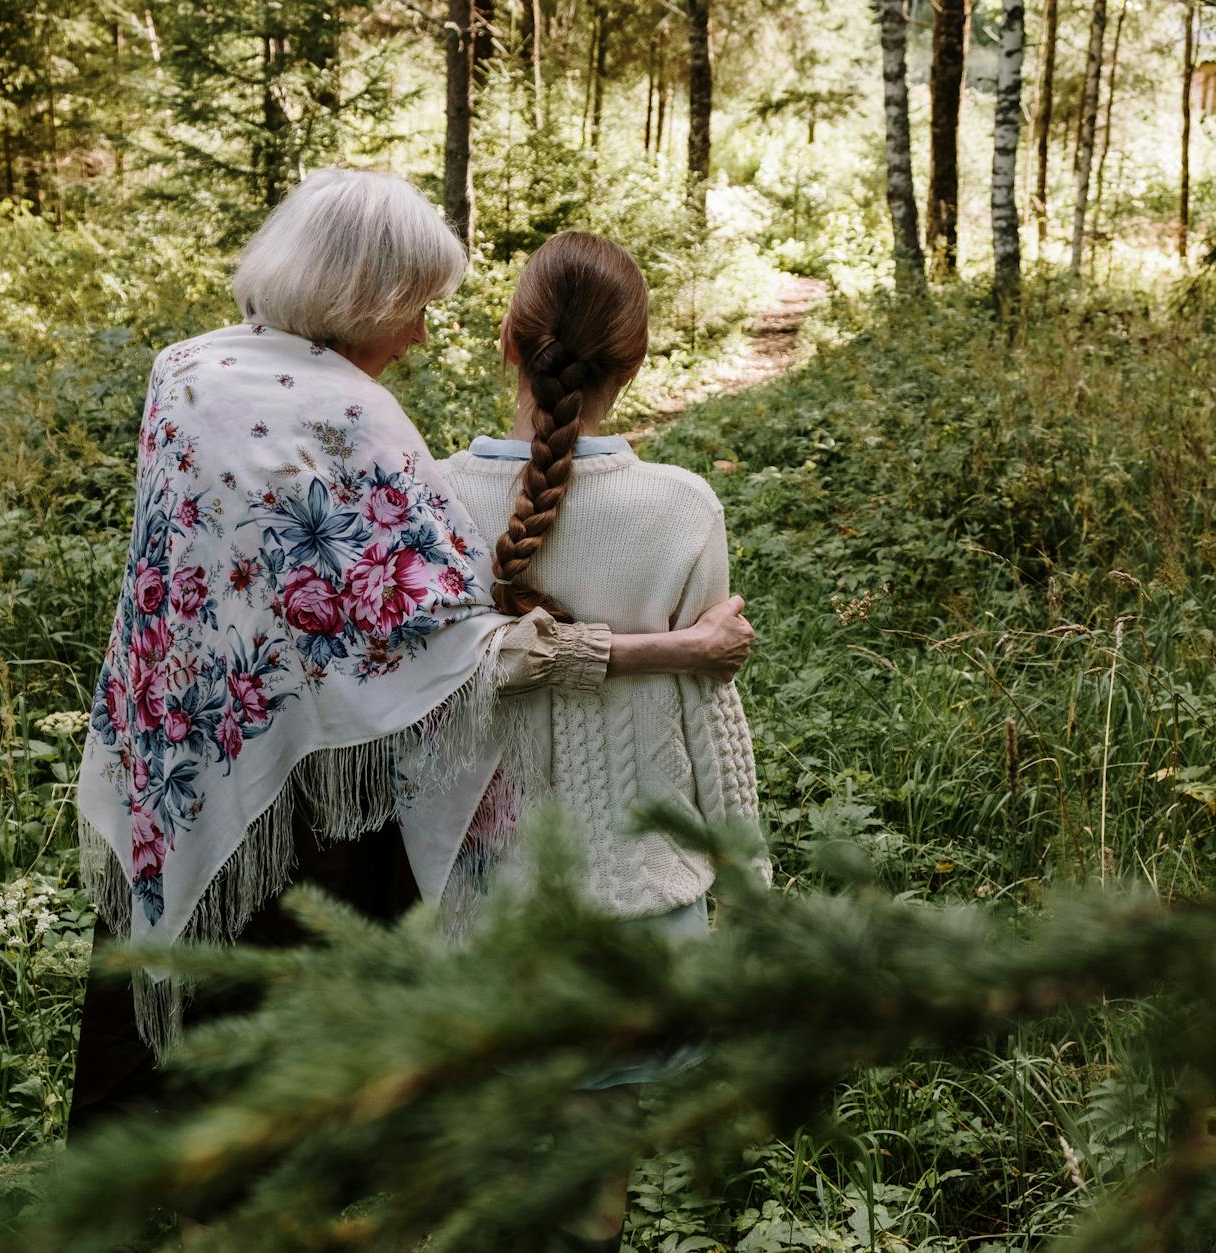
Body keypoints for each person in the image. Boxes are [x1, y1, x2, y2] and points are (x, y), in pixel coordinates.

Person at [63, 172, 756, 1206]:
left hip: (185, 762)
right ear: (357, 294)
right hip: (326, 799)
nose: (424, 335)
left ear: (515, 344)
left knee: (196, 1066)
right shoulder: (360, 425)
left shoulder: (187, 373)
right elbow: (466, 652)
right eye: (415, 305)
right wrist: (673, 651)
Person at [436, 231, 766, 1253]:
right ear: (638, 359)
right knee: (591, 1178)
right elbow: (710, 707)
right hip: (633, 897)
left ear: (507, 341)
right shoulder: (679, 508)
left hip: (466, 899)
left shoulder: (430, 495)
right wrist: (746, 884)